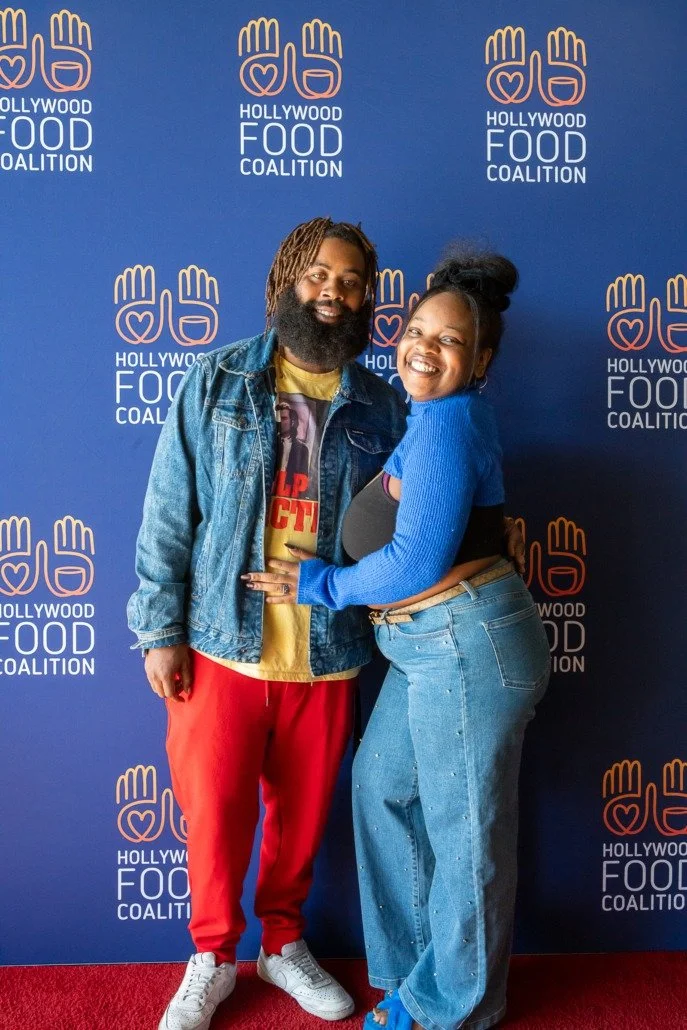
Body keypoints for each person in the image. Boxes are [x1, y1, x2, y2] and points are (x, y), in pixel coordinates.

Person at [245, 247, 551, 1030]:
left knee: (464, 833)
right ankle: (419, 979)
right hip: (425, 648)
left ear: (480, 360)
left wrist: (319, 587)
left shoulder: (449, 422)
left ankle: (453, 1006)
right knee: (380, 790)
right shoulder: (431, 419)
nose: (423, 346)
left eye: (448, 340)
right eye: (416, 329)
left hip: (464, 644)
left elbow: (416, 558)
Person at [128, 217, 409, 1030]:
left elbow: (402, 528)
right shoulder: (216, 380)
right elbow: (166, 513)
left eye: (351, 280)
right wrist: (159, 630)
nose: (333, 291)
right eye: (319, 274)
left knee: (300, 817)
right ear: (289, 279)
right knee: (213, 814)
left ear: (365, 299)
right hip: (220, 643)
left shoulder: (384, 404)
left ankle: (281, 945)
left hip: (327, 652)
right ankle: (212, 955)